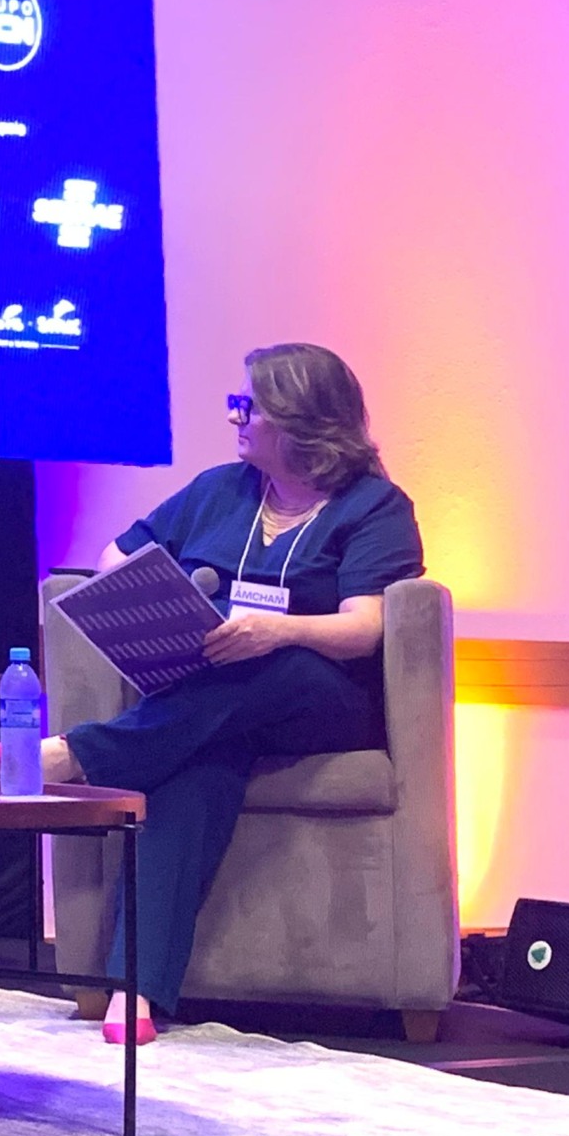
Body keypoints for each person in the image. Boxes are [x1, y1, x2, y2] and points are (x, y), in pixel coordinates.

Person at [40, 343, 423, 1044]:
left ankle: (79, 759)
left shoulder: (373, 508)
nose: (237, 419)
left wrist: (276, 632)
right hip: (216, 704)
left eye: (250, 407)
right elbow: (113, 559)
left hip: (321, 700)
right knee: (198, 763)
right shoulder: (222, 489)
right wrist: (159, 601)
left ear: (302, 421)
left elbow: (366, 629)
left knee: (268, 665)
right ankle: (136, 993)